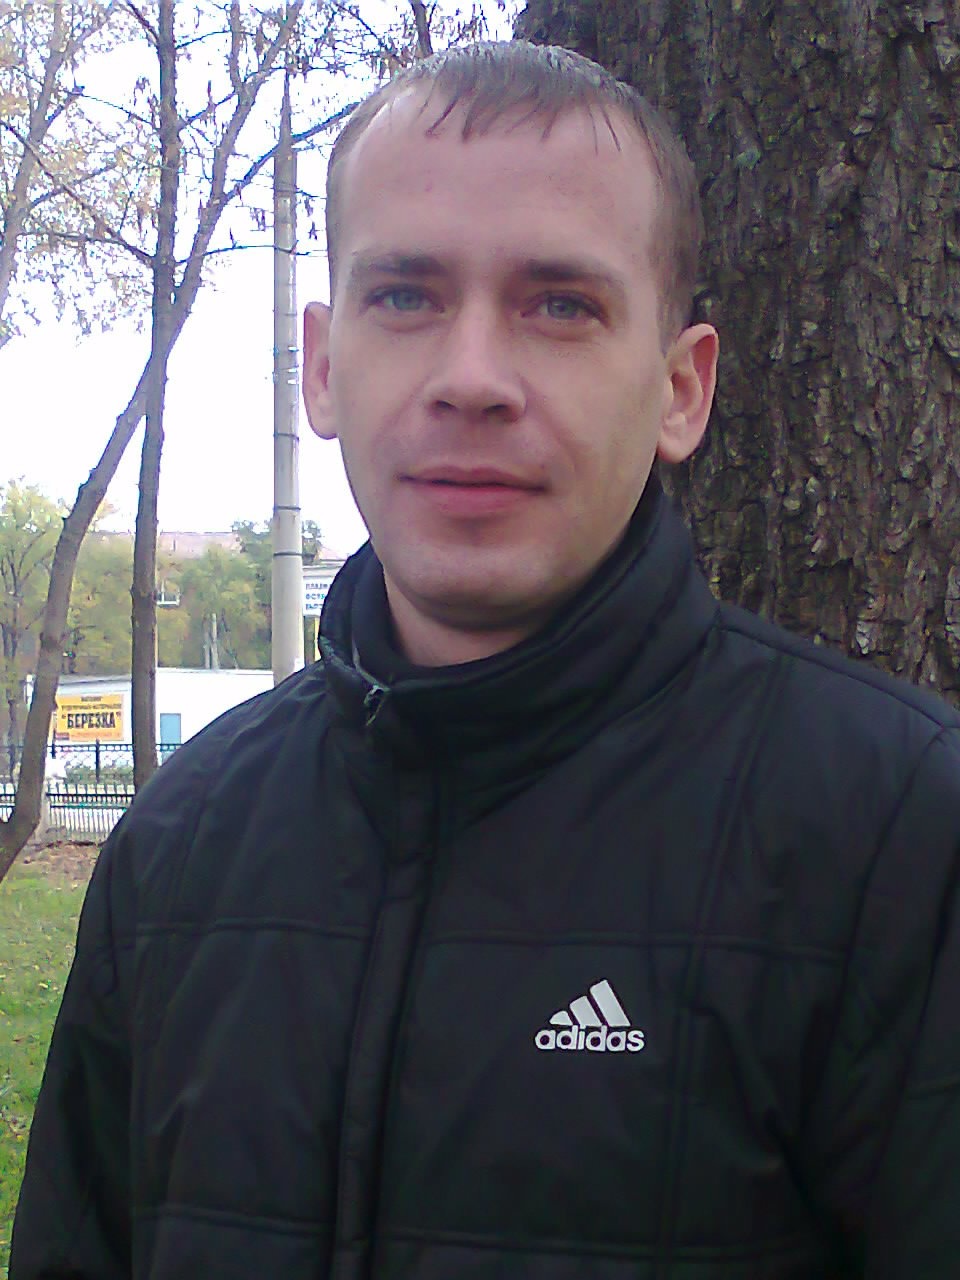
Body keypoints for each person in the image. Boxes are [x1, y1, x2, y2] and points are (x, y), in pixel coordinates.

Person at [11, 40, 960, 1280]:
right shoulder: (181, 841)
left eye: (560, 304)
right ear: (321, 366)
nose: (471, 379)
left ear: (682, 388)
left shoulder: (901, 837)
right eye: (406, 295)